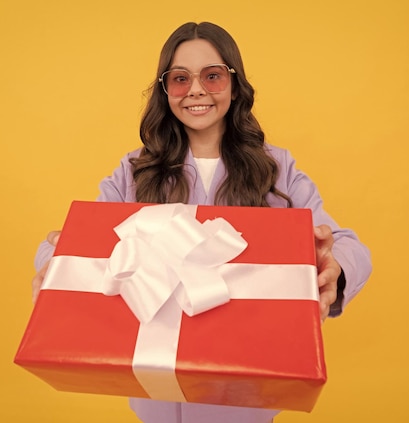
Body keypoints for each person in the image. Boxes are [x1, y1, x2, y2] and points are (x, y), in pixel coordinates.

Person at [31, 21, 372, 423]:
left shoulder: (276, 168)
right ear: (165, 90)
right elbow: (69, 242)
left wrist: (336, 269)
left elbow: (346, 244)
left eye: (212, 76)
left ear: (234, 83)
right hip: (155, 391)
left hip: (246, 390)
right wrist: (53, 264)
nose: (196, 90)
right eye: (180, 79)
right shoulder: (133, 171)